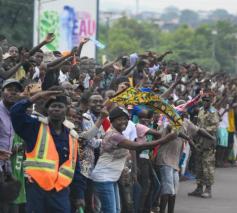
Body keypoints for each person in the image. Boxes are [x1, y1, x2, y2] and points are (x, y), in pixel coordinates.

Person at [91, 106, 178, 213]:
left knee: (117, 210)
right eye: (119, 119)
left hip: (111, 178)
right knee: (111, 210)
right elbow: (137, 146)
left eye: (125, 119)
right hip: (103, 178)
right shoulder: (114, 135)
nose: (123, 122)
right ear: (112, 121)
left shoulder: (119, 133)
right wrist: (166, 139)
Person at [10, 90, 81, 213]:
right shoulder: (34, 127)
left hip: (60, 191)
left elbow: (75, 168)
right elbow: (15, 113)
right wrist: (36, 97)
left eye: (60, 106)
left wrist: (79, 195)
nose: (56, 109)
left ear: (66, 110)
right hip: (36, 189)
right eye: (53, 106)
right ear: (47, 110)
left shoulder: (72, 136)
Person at [188, 94, 219, 198]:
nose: (205, 102)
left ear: (211, 102)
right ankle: (199, 187)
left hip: (208, 141)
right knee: (199, 165)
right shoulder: (201, 110)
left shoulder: (213, 112)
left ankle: (208, 189)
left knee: (208, 165)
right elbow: (198, 123)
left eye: (207, 100)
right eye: (204, 100)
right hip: (199, 141)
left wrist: (203, 130)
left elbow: (214, 127)